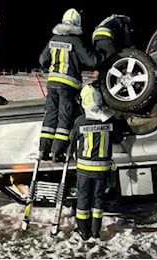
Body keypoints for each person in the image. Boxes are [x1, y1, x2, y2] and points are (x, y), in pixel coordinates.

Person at [38, 8, 105, 163]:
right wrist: (102, 55)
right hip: (68, 85)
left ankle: (43, 150)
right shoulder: (76, 41)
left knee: (50, 117)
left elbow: (43, 60)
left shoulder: (53, 39)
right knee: (64, 118)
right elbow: (91, 61)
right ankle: (58, 153)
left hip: (52, 83)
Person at [69, 83, 124, 240]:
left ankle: (83, 231)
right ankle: (95, 231)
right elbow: (118, 139)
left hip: (84, 170)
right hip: (102, 170)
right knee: (98, 200)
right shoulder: (110, 120)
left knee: (83, 199)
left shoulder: (80, 121)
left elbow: (72, 140)